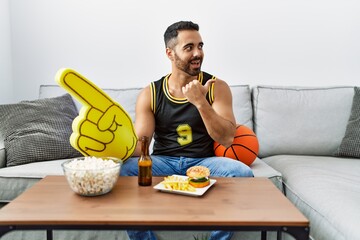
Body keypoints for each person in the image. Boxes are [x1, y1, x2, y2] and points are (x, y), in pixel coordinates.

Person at [120, 20, 254, 240]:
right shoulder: (150, 93)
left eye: (200, 46)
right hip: (164, 161)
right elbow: (140, 146)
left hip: (204, 162)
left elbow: (228, 138)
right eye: (189, 47)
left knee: (243, 174)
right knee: (124, 170)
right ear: (170, 53)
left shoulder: (216, 87)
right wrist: (108, 149)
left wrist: (200, 102)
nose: (197, 53)